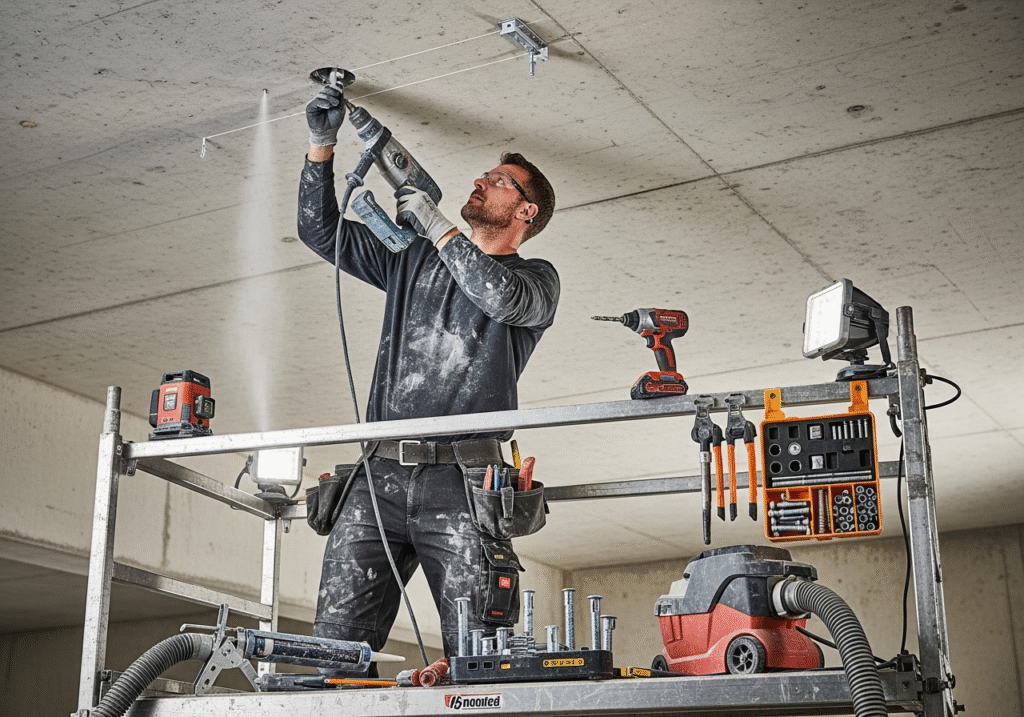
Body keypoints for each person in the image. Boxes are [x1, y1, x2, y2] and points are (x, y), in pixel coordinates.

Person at [298, 83, 560, 668]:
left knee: (477, 661)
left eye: (498, 180)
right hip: (379, 474)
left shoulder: (538, 280)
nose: (480, 181)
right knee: (331, 654)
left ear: (525, 211)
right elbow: (321, 233)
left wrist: (438, 227)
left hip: (465, 483)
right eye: (484, 174)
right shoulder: (413, 260)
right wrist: (321, 147)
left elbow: (499, 295)